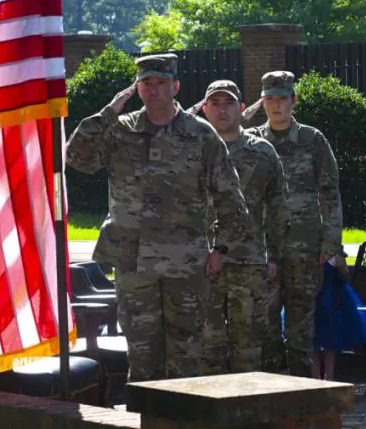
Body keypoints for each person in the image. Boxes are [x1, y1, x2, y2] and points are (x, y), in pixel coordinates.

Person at [65, 54, 249, 381]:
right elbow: (76, 157)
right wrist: (108, 111)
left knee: (186, 355)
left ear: (175, 87)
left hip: (185, 262)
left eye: (161, 83)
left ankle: (181, 414)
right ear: (137, 88)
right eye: (146, 83)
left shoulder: (200, 134)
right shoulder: (119, 130)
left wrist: (221, 249)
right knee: (141, 354)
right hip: (133, 263)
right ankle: (142, 414)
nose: (153, 89)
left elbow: (231, 198)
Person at [247, 71, 343, 377]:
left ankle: (302, 392)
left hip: (304, 245)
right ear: (262, 102)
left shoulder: (312, 140)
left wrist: (331, 240)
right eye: (270, 99)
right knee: (265, 326)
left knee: (301, 328)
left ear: (293, 100)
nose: (276, 105)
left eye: (282, 98)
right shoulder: (252, 142)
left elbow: (329, 192)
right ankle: (273, 392)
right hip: (265, 249)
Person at [199, 79, 288, 372]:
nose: (222, 110)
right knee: (207, 346)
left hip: (249, 260)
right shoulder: (192, 149)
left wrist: (274, 256)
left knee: (248, 345)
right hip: (201, 261)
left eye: (229, 104)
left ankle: (247, 401)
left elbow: (278, 207)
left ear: (243, 108)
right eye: (215, 104)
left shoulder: (263, 152)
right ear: (205, 109)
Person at [313, 252, 366, 380]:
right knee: (312, 340)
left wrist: (340, 266)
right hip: (312, 298)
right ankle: (315, 378)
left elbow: (346, 275)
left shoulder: (335, 253)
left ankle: (329, 378)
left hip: (331, 299)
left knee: (330, 340)